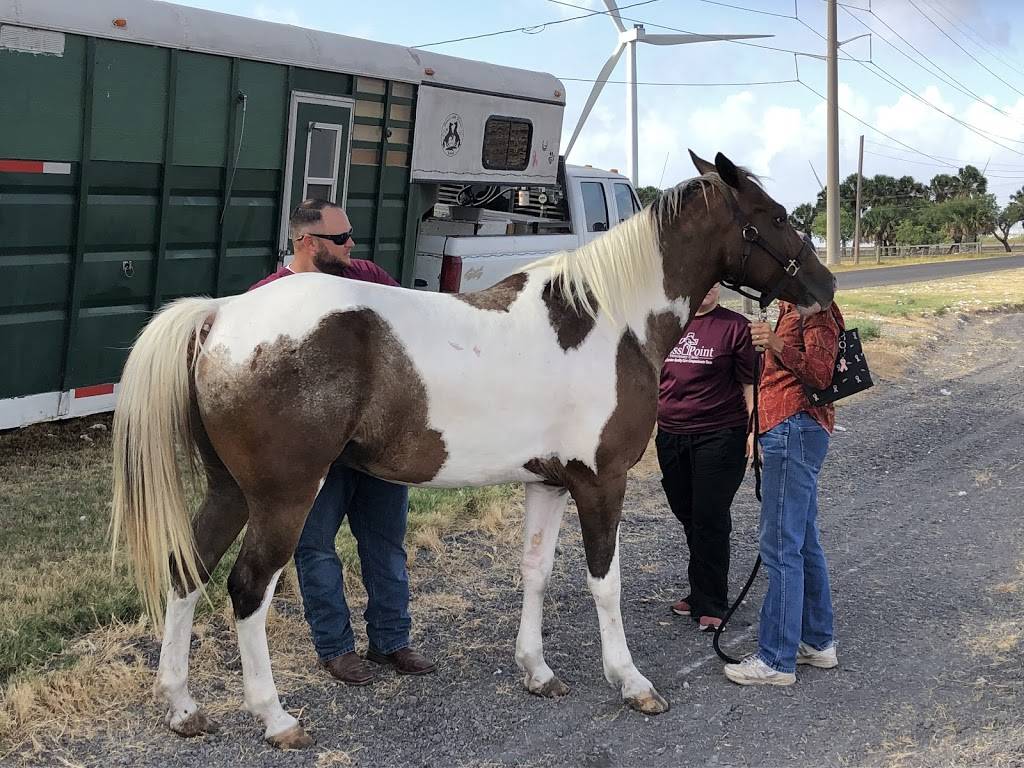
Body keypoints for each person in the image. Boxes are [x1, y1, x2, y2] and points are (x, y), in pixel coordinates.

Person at [250, 199, 436, 684]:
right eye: (340, 238)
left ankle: (391, 642)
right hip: (318, 456)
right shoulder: (268, 298)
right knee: (315, 549)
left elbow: (415, 324)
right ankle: (335, 649)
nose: (351, 245)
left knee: (386, 544)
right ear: (307, 242)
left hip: (379, 445)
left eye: (350, 235)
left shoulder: (368, 276)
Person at [723, 300, 844, 686]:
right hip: (787, 428)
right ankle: (817, 641)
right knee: (803, 541)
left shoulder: (817, 311)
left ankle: (776, 659)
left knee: (780, 544)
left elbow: (822, 375)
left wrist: (776, 344)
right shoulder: (792, 308)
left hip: (795, 429)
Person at [657, 283, 755, 632]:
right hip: (671, 433)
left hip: (720, 433)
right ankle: (699, 591)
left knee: (710, 517)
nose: (709, 288)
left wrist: (753, 430)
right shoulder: (668, 322)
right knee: (687, 513)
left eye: (716, 282)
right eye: (704, 281)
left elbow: (749, 383)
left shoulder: (735, 327)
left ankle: (712, 602)